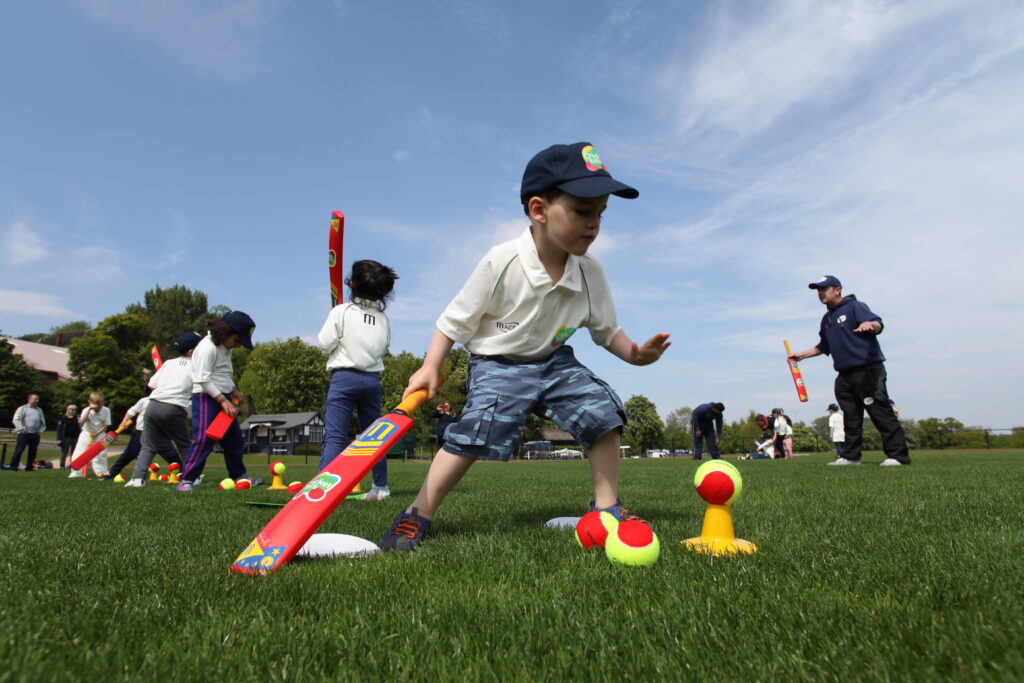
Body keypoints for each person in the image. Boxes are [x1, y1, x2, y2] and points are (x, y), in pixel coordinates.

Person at [377, 141, 671, 551]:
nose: (594, 225)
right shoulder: (502, 261)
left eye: (601, 214)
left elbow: (607, 331)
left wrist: (636, 355)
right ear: (538, 210)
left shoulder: (590, 272)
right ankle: (417, 514)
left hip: (554, 361)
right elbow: (452, 322)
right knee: (477, 429)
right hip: (498, 362)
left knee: (604, 410)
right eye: (583, 212)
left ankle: (608, 509)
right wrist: (430, 367)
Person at [790, 275, 910, 466]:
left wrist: (870, 326)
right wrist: (802, 355)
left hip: (868, 370)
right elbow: (824, 346)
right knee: (851, 417)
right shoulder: (827, 319)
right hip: (844, 375)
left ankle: (898, 456)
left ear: (837, 290)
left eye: (824, 289)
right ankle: (851, 456)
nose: (820, 293)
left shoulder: (855, 307)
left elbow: (877, 324)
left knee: (880, 412)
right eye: (818, 290)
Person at [317, 259, 399, 501]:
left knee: (335, 436)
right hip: (372, 382)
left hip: (344, 379)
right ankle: (380, 487)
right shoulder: (383, 319)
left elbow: (324, 344)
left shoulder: (340, 311)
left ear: (351, 283)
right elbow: (384, 347)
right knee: (373, 437)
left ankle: (322, 492)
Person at [178, 312, 262, 491]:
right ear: (226, 333)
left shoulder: (226, 348)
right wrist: (223, 401)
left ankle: (239, 476)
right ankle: (187, 480)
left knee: (234, 440)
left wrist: (234, 391)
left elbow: (223, 374)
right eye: (237, 340)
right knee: (205, 439)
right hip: (206, 398)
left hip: (224, 398)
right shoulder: (207, 347)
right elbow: (202, 379)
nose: (238, 346)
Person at [127, 332, 203, 487]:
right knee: (184, 445)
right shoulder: (196, 365)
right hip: (174, 408)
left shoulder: (168, 363)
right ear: (191, 352)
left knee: (148, 445)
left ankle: (137, 479)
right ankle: (192, 477)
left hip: (153, 405)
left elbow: (152, 384)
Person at [68, 392, 113, 477]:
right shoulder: (86, 410)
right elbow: (81, 422)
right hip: (86, 432)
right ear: (90, 402)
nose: (98, 407)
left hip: (100, 433)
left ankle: (101, 472)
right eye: (96, 405)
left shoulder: (106, 410)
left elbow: (106, 425)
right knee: (79, 452)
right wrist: (89, 410)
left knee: (101, 453)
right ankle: (76, 472)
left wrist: (96, 433)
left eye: (100, 405)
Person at [7, 394, 46, 471]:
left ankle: (29, 467)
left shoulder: (39, 410)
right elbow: (16, 419)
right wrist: (22, 429)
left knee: (33, 452)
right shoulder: (22, 408)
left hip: (35, 434)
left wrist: (40, 430)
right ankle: (13, 467)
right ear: (29, 399)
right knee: (19, 450)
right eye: (35, 399)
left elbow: (43, 421)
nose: (37, 401)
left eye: (38, 399)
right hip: (24, 434)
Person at [56, 404, 81, 469]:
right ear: (68, 410)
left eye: (74, 409)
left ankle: (72, 465)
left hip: (75, 438)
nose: (73, 411)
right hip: (66, 437)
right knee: (64, 452)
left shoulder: (78, 418)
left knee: (74, 452)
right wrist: (59, 439)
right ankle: (62, 465)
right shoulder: (63, 418)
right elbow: (59, 429)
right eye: (71, 409)